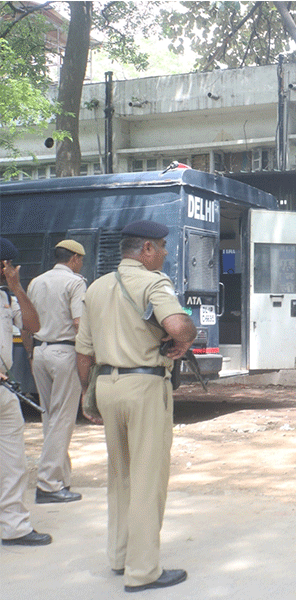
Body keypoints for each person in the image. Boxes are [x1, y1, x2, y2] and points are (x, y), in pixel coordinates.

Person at [75, 220, 196, 591]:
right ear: (145, 249)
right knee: (147, 479)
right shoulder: (153, 282)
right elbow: (176, 325)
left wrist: (88, 395)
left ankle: (120, 555)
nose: (164, 252)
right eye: (160, 246)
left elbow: (84, 351)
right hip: (143, 387)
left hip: (107, 386)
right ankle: (143, 571)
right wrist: (186, 339)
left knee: (120, 476)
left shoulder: (96, 288)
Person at [26, 239, 87, 504]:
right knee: (62, 419)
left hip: (40, 352)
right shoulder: (75, 282)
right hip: (65, 353)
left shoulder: (36, 282)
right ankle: (49, 485)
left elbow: (28, 324)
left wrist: (31, 354)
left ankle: (61, 478)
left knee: (50, 418)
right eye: (80, 259)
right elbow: (79, 323)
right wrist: (89, 359)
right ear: (74, 258)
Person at [0, 238, 51, 547]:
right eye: (10, 266)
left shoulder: (8, 297)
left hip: (4, 392)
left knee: (13, 463)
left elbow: (33, 324)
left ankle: (14, 526)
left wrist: (17, 288)